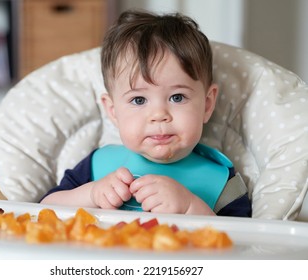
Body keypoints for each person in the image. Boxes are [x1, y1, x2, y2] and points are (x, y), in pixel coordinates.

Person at [40, 10, 251, 217]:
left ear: (206, 105)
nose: (159, 115)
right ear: (113, 112)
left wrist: (190, 207)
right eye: (138, 100)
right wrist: (91, 195)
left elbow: (245, 244)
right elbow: (44, 210)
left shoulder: (222, 182)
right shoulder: (96, 166)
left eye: (177, 97)